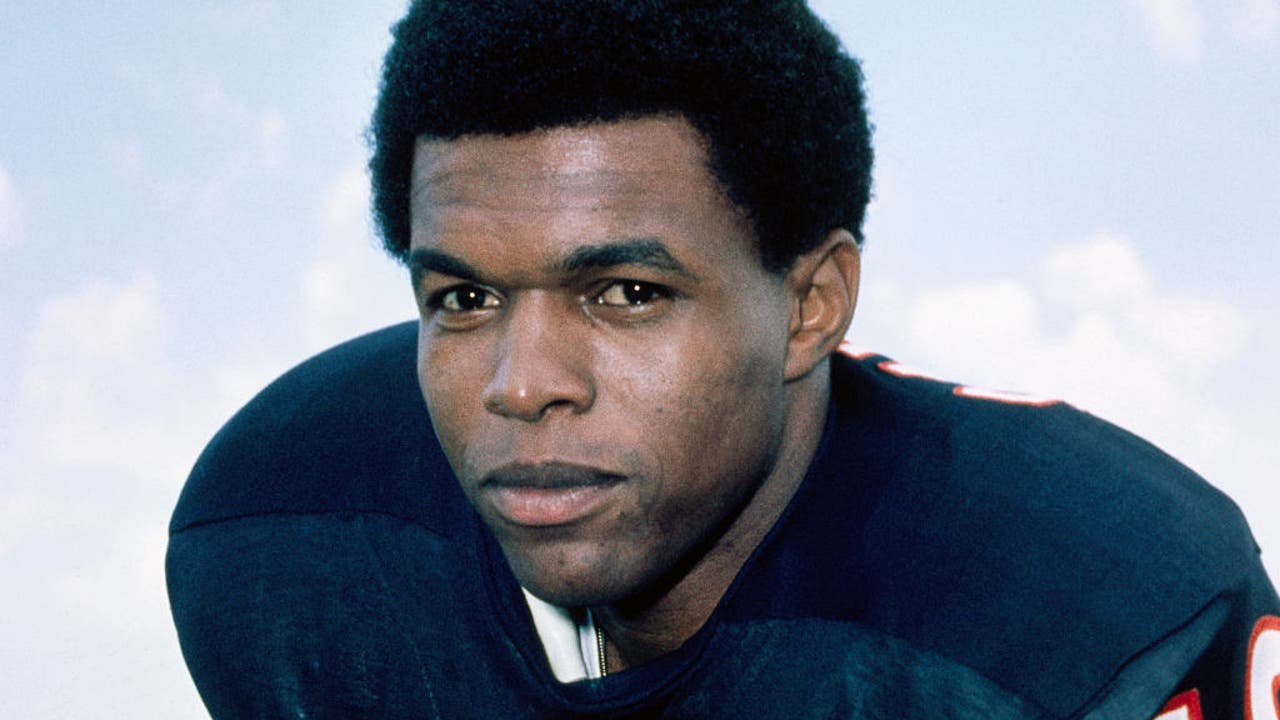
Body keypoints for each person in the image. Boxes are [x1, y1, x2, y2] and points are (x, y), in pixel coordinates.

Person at [166, 1, 1280, 718]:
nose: (522, 383)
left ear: (810, 307)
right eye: (463, 298)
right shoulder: (290, 529)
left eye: (626, 293)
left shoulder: (1090, 607)